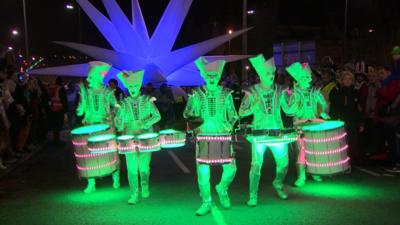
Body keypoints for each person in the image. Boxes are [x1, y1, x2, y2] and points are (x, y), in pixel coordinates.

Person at [239, 54, 297, 206]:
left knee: (284, 163)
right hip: (259, 133)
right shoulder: (252, 91)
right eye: (267, 73)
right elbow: (241, 112)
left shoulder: (280, 90)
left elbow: (289, 110)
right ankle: (253, 195)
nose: (271, 76)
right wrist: (253, 106)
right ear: (260, 75)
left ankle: (278, 183)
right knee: (256, 165)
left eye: (272, 73)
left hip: (277, 132)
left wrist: (294, 98)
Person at [183, 57, 238, 216]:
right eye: (209, 76)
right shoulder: (196, 94)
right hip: (204, 137)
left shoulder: (227, 94)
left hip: (222, 136)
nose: (212, 78)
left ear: (219, 76)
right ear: (205, 76)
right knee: (203, 172)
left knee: (231, 169)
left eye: (215, 75)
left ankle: (222, 188)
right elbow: (186, 113)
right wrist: (195, 119)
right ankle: (206, 201)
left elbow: (234, 115)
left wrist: (230, 125)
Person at [115, 70, 161, 204]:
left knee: (144, 167)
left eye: (135, 86)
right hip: (128, 138)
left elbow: (157, 115)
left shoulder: (147, 100)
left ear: (139, 86)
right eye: (130, 87)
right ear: (127, 88)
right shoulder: (123, 103)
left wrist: (146, 123)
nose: (133, 89)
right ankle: (134, 193)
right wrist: (120, 122)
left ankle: (145, 185)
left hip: (146, 137)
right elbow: (118, 120)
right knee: (131, 167)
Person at [76, 61, 120, 194]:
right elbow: (79, 112)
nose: (87, 80)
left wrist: (113, 115)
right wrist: (82, 97)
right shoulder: (86, 92)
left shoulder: (108, 92)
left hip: (106, 127)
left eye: (90, 77)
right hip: (90, 127)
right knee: (89, 156)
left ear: (98, 77)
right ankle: (91, 183)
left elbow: (117, 106)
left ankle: (116, 178)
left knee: (111, 152)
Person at [286, 62, 330, 187]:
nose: (310, 79)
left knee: (315, 149)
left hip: (314, 124)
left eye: (310, 77)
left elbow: (324, 105)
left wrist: (324, 113)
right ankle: (301, 175)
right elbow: (289, 109)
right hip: (300, 125)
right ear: (298, 80)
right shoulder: (293, 93)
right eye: (306, 77)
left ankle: (315, 171)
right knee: (301, 150)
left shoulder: (315, 92)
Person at [330, 71, 364, 164]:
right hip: (341, 121)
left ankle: (352, 161)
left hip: (353, 121)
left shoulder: (356, 92)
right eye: (345, 79)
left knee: (353, 142)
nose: (348, 81)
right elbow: (334, 108)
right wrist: (334, 120)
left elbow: (360, 109)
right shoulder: (337, 92)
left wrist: (361, 123)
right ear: (342, 80)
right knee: (342, 142)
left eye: (350, 79)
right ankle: (343, 162)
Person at [48, 77, 67, 144]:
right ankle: (57, 140)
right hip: (59, 109)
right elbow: (64, 99)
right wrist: (65, 109)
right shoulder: (61, 88)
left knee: (55, 125)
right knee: (59, 125)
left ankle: (55, 139)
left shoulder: (51, 88)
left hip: (52, 109)